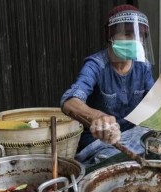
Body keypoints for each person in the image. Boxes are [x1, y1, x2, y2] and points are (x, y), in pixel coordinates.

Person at [60, 4, 155, 166]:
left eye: (139, 36)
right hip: (101, 141)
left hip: (133, 134)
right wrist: (97, 118)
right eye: (127, 34)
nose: (135, 41)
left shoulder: (143, 66)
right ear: (111, 36)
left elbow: (155, 103)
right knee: (112, 161)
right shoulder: (95, 65)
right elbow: (69, 101)